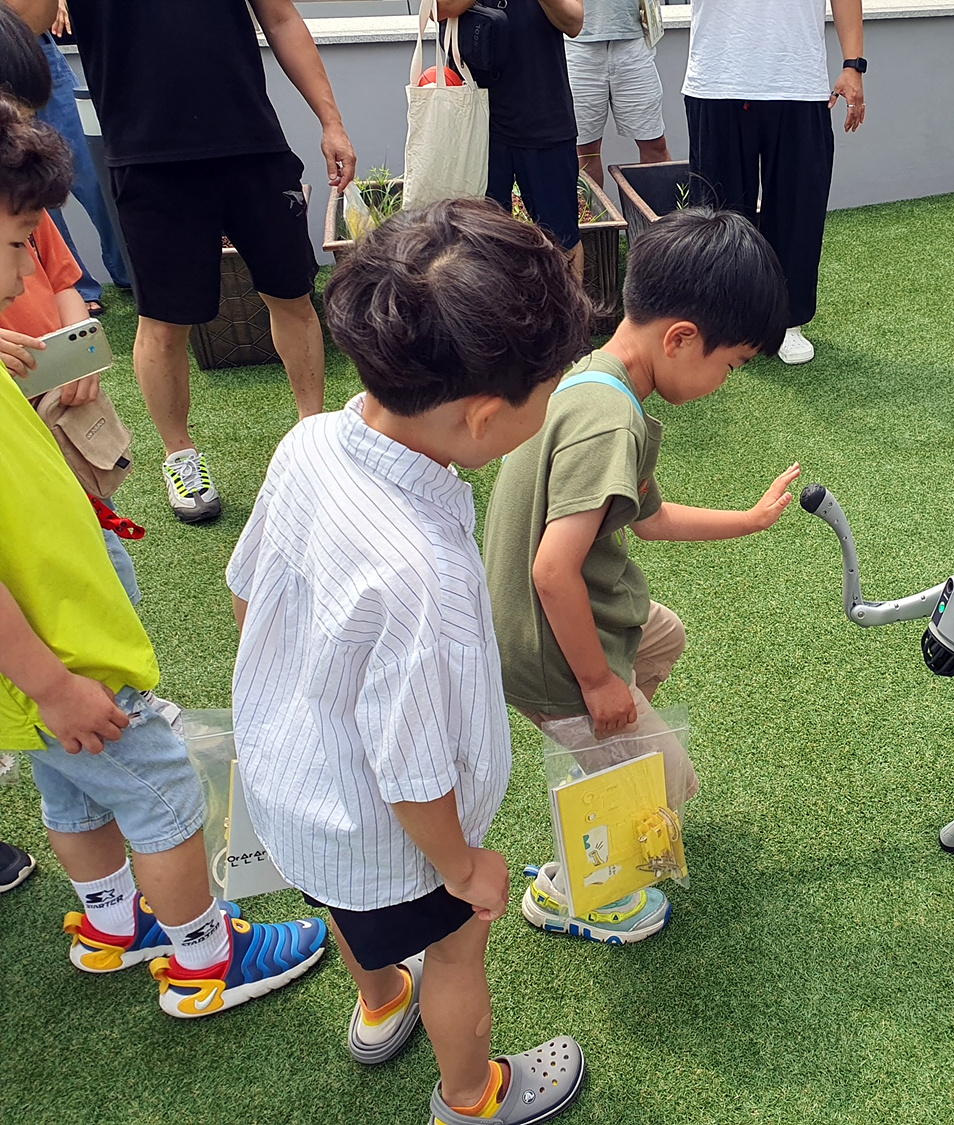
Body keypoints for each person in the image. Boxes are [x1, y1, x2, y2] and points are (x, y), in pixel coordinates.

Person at [228, 198, 591, 1125]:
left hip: (294, 794)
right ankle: (472, 1094)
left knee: (356, 918)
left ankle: (380, 1002)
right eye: (547, 392)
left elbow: (248, 591)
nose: (551, 405)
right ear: (481, 416)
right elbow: (414, 771)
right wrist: (463, 867)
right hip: (399, 838)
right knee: (458, 949)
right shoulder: (420, 574)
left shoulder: (309, 442)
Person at [0, 88, 327, 1019]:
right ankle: (205, 956)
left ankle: (111, 923)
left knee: (73, 793)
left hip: (36, 676)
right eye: (21, 237)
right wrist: (59, 683)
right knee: (162, 790)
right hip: (68, 660)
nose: (32, 258)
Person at [484, 207, 797, 941]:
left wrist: (747, 519)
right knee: (670, 782)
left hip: (536, 621)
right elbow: (554, 569)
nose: (728, 379)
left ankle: (607, 762)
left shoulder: (601, 381)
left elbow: (647, 516)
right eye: (733, 363)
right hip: (543, 641)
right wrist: (597, 684)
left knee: (661, 636)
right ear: (682, 338)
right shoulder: (607, 420)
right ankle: (570, 889)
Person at [67, 0, 356, 525]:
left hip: (253, 147)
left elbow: (282, 18)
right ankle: (180, 456)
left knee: (292, 296)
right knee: (163, 322)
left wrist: (331, 121)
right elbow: (24, 24)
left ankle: (313, 438)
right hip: (148, 160)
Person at [683, 0, 867, 365]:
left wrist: (853, 65)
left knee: (799, 208)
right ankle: (726, 320)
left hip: (797, 81)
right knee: (720, 215)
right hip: (719, 79)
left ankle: (787, 321)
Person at [440, 0, 587, 279]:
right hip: (475, 118)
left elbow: (573, 22)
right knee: (478, 241)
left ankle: (570, 320)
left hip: (543, 110)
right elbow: (438, 9)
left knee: (561, 239)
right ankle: (492, 319)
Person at [41, 4, 131, 316]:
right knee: (31, 191)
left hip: (36, 47)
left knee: (95, 173)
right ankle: (76, 287)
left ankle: (132, 271)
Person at [568, 0, 673, 187]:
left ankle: (664, 215)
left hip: (633, 41)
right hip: (577, 44)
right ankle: (596, 216)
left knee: (654, 144)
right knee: (585, 151)